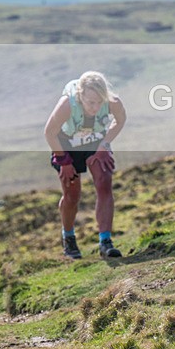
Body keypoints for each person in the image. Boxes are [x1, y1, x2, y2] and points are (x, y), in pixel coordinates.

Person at [44, 71, 127, 259]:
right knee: (72, 195)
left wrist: (105, 144)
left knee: (104, 181)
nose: (96, 107)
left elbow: (120, 120)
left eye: (99, 102)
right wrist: (63, 161)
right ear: (80, 95)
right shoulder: (66, 105)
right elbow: (49, 133)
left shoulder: (113, 101)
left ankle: (105, 242)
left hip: (95, 141)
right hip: (66, 145)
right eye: (91, 102)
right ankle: (69, 238)